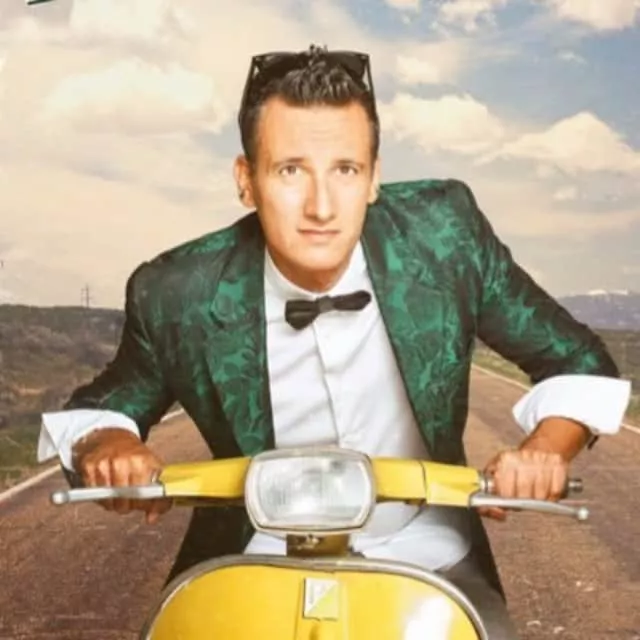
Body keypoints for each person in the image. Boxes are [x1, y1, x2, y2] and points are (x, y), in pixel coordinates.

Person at [38, 45, 630, 638]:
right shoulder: (177, 291)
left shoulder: (445, 235)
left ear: (373, 177)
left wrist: (545, 450)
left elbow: (577, 360)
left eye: (345, 170)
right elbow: (101, 410)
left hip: (430, 554)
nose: (321, 207)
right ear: (246, 181)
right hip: (252, 555)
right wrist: (109, 446)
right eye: (290, 170)